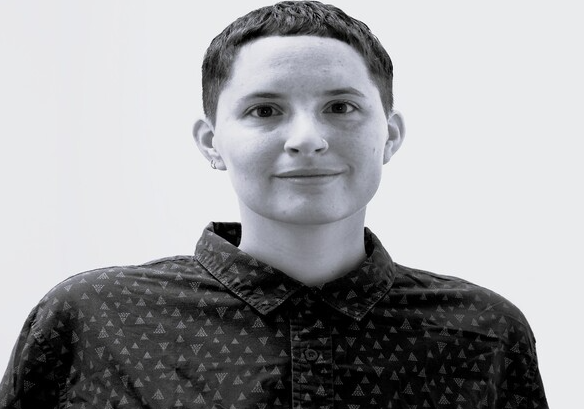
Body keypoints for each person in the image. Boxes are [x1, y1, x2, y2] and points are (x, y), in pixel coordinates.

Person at [0, 1, 548, 408]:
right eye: (264, 111)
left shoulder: (485, 332)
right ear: (211, 142)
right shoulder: (95, 319)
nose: (307, 139)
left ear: (391, 135)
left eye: (340, 106)